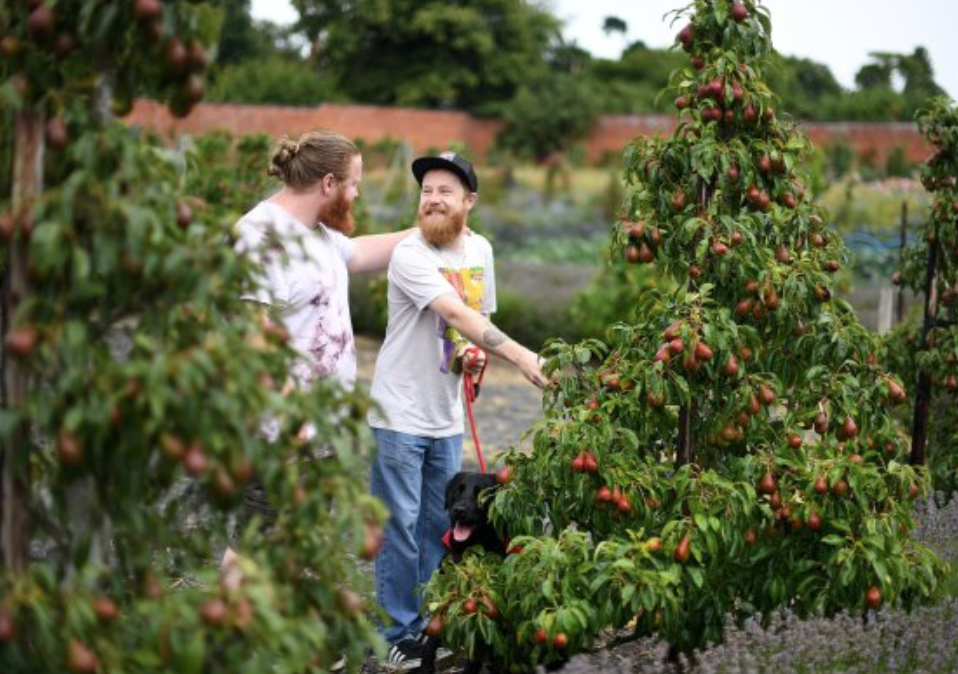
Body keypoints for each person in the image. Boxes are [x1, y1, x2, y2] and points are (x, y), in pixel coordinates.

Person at [367, 152, 547, 670]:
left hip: (444, 414)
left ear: (469, 201)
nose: (433, 198)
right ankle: (395, 636)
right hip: (398, 411)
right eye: (426, 190)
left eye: (446, 190)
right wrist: (520, 354)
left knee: (440, 527)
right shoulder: (409, 253)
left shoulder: (480, 250)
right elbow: (452, 311)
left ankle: (430, 625)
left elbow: (478, 317)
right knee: (398, 527)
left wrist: (475, 357)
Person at [222, 131, 411, 574]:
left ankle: (275, 633)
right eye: (354, 184)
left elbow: (361, 252)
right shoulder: (260, 235)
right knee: (255, 542)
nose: (358, 193)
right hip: (279, 430)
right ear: (329, 183)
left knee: (297, 540)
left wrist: (428, 229)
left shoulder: (319, 234)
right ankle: (224, 635)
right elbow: (254, 338)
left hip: (320, 427)